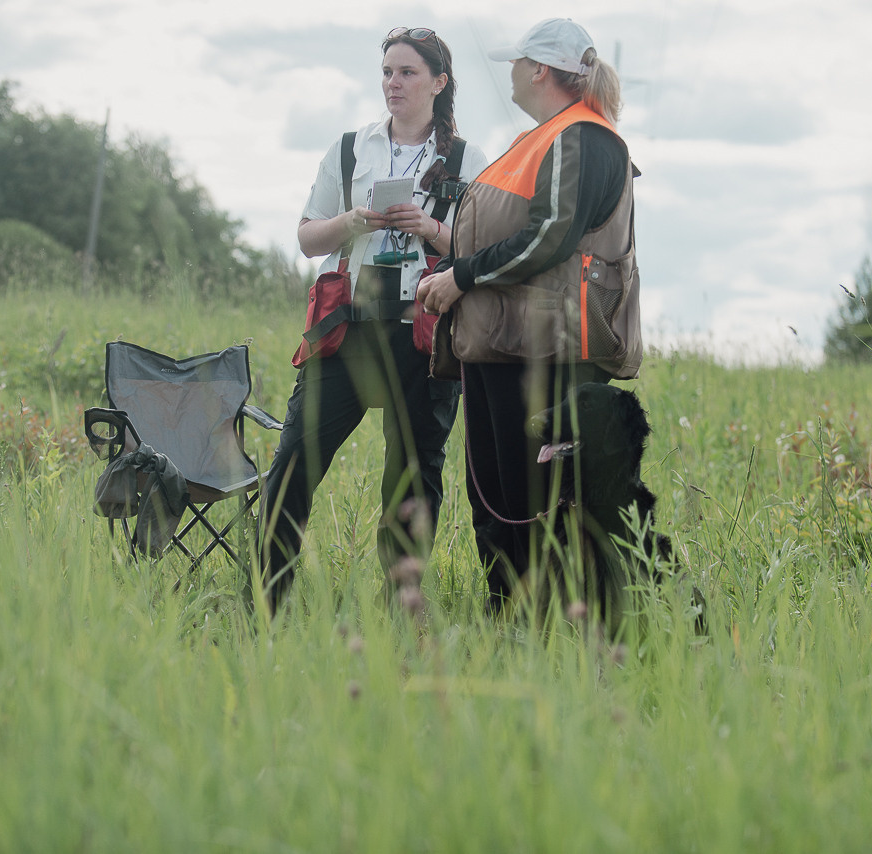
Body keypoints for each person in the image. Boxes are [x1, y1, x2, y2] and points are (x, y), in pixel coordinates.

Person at [416, 18, 644, 612]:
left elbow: (550, 236)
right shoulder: (538, 138)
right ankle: (511, 624)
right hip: (504, 343)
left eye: (518, 63)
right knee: (496, 495)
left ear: (540, 70)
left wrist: (460, 277)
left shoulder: (584, 138)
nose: (510, 73)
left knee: (537, 499)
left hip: (548, 350)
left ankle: (558, 633)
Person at [258, 27, 488, 614]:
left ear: (439, 83)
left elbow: (483, 251)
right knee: (293, 463)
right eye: (387, 71)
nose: (393, 83)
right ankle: (267, 604)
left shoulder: (467, 159)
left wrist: (427, 227)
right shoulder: (347, 148)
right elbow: (309, 238)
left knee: (412, 479)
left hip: (425, 330)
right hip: (350, 327)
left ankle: (397, 615)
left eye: (407, 73)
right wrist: (357, 219)